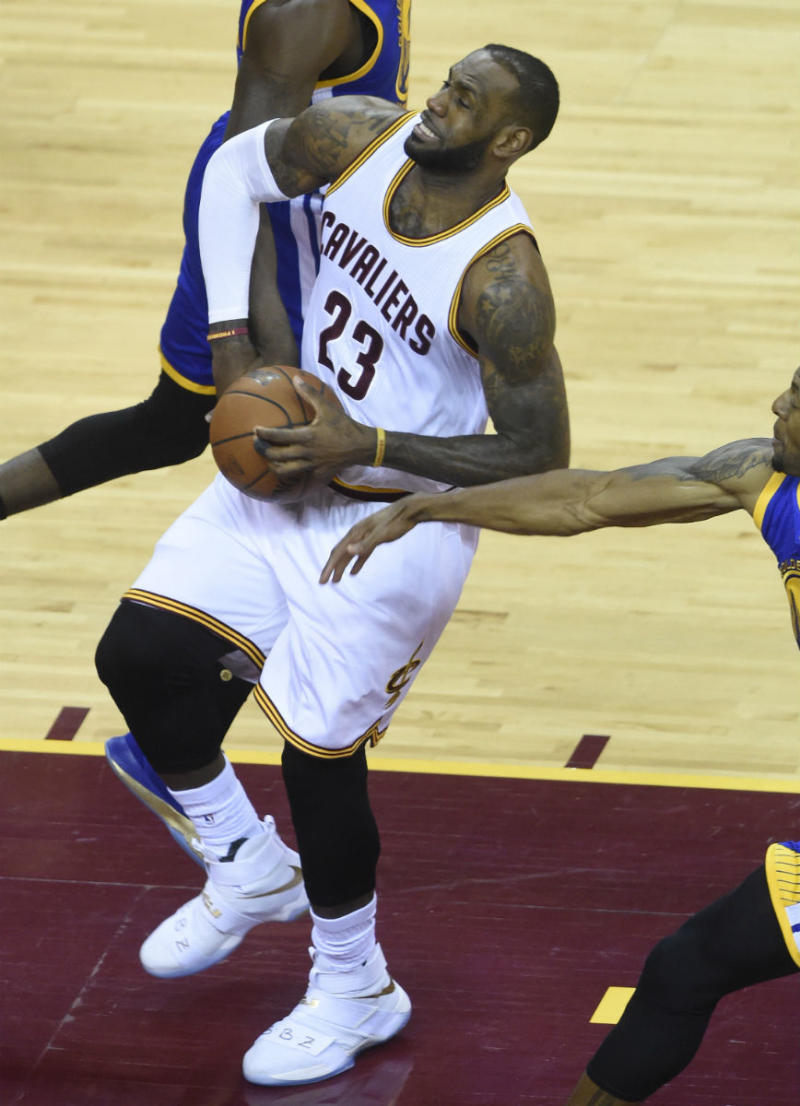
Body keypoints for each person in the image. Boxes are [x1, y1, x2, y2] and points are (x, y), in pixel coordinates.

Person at [93, 43, 570, 1088]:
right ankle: (246, 863)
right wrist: (229, 342)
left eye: (465, 103)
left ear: (511, 139)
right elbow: (231, 170)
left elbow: (539, 456)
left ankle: (354, 985)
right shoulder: (356, 136)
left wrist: (376, 449)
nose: (436, 105)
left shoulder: (502, 277)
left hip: (392, 527)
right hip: (279, 470)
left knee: (318, 762)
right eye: (443, 85)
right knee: (139, 654)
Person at [320, 367, 800, 1102]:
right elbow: (588, 497)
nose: (778, 403)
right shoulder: (761, 476)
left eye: (798, 400)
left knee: (689, 966)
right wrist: (432, 508)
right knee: (686, 968)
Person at [0, 0, 411, 518]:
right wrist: (242, 337)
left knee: (172, 428)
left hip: (291, 196)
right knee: (296, 421)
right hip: (269, 219)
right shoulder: (307, 12)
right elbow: (243, 177)